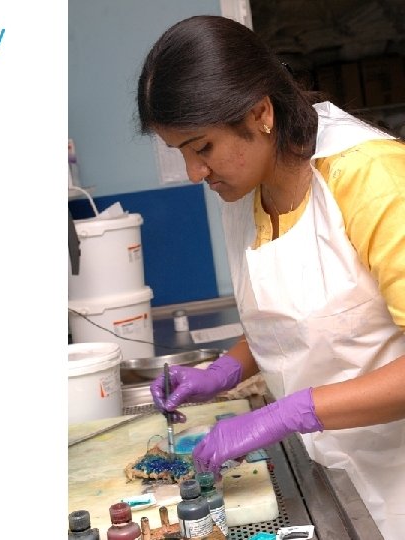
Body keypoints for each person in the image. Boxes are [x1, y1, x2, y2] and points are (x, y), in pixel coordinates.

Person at [137, 15, 405, 540]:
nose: (194, 173)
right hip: (333, 475)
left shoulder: (371, 177)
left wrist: (288, 414)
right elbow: (309, 322)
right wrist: (224, 370)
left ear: (260, 112)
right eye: (181, 153)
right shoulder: (247, 189)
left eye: (202, 147)